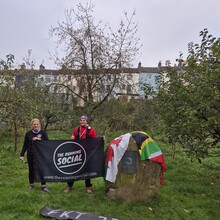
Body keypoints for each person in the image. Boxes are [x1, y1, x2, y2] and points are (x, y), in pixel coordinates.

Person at [64, 115, 97, 193]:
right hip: (77, 152)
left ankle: (88, 186)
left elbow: (95, 140)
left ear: (87, 121)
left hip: (87, 153)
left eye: (84, 120)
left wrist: (102, 139)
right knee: (73, 169)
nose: (82, 121)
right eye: (81, 120)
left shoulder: (91, 130)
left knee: (87, 170)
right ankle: (69, 186)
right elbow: (73, 138)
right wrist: (72, 137)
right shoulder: (76, 129)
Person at [19, 118, 49, 192]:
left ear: (39, 125)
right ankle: (31, 185)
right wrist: (22, 155)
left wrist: (40, 140)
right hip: (31, 154)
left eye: (37, 124)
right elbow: (25, 145)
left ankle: (43, 186)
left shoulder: (43, 133)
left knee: (41, 169)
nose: (36, 125)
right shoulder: (28, 133)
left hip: (41, 155)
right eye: (34, 124)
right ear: (32, 125)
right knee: (31, 169)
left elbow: (48, 143)